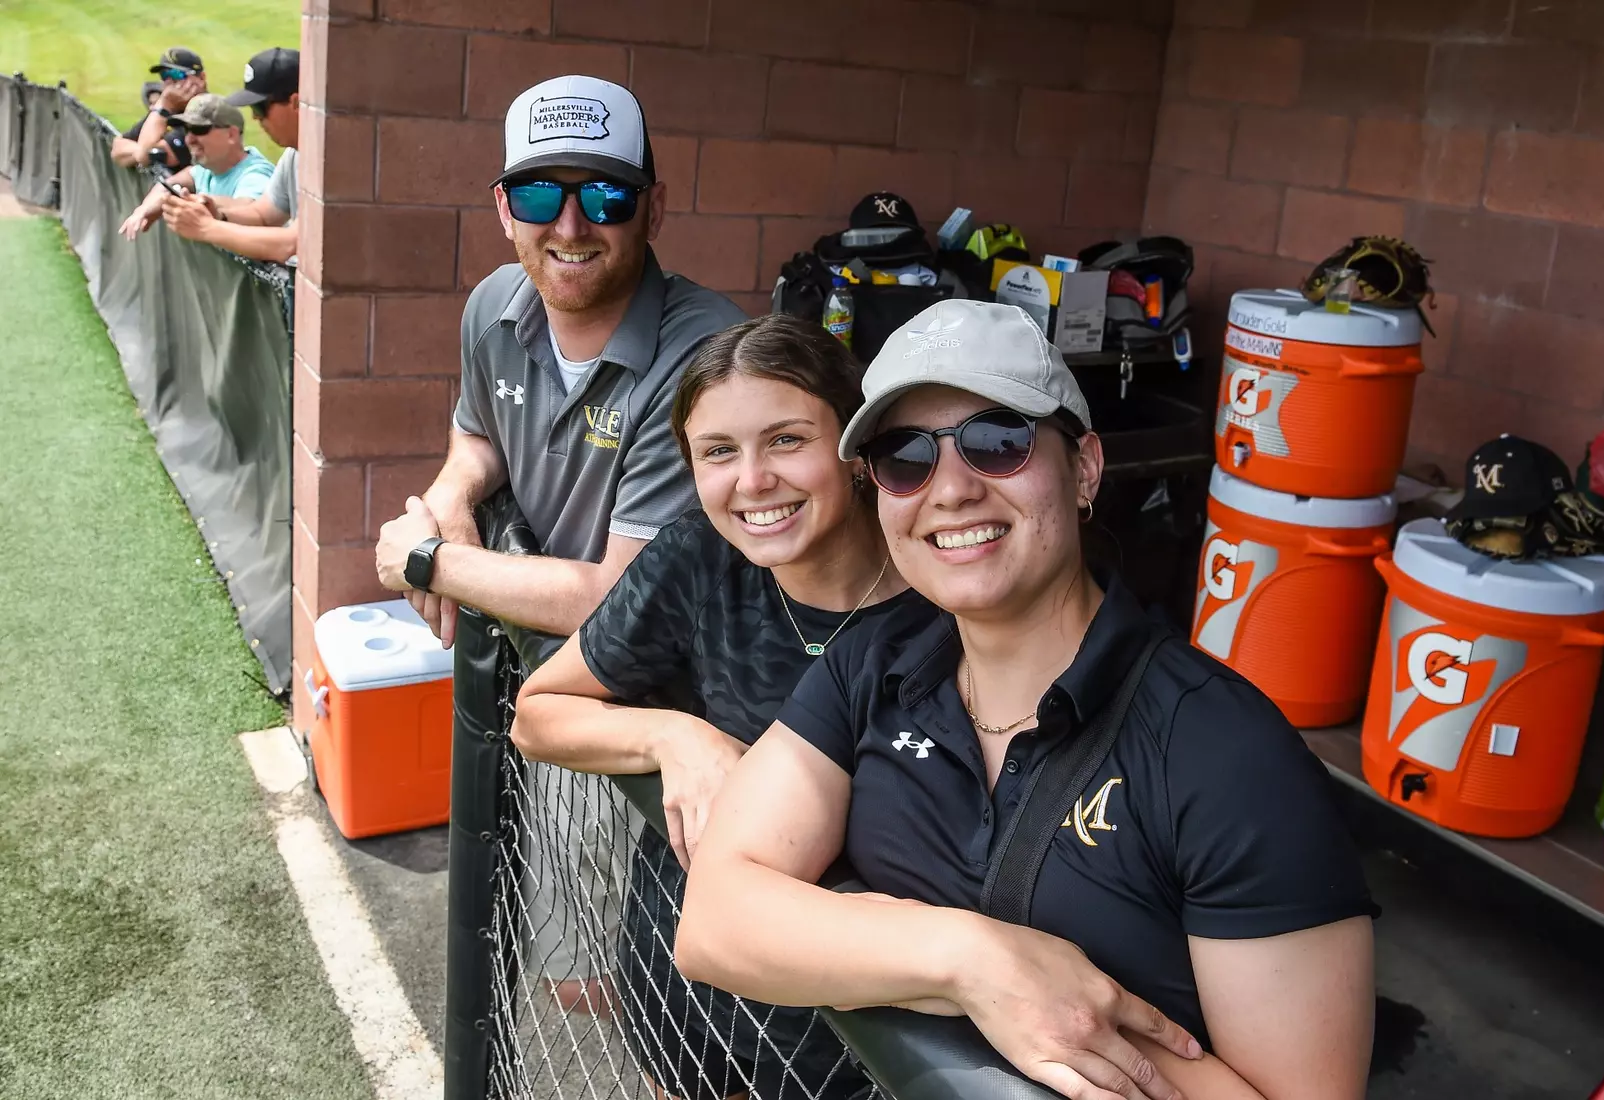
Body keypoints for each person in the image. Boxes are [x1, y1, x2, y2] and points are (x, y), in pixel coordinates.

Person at [677, 300, 1378, 1100]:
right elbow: (714, 920)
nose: (950, 490)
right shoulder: (873, 662)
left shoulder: (1223, 753)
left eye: (998, 442)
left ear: (1083, 467)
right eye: (904, 458)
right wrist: (976, 961)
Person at [372, 75, 744, 1020]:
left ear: (654, 206)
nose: (571, 225)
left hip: (686, 696)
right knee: (575, 974)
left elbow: (616, 598)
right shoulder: (497, 300)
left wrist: (427, 560)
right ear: (504, 209)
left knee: (656, 995)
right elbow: (478, 434)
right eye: (541, 194)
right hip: (559, 674)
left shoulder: (705, 356)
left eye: (606, 194)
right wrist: (453, 496)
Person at [511, 315, 921, 1100]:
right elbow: (537, 714)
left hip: (862, 1029)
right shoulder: (700, 556)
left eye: (787, 440)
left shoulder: (942, 587)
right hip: (688, 987)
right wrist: (677, 738)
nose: (753, 480)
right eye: (719, 453)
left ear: (855, 446)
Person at [162, 47, 301, 264]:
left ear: (295, 103)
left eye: (260, 107)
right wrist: (217, 213)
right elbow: (263, 216)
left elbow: (290, 244)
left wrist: (206, 227)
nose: (255, 117)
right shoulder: (294, 154)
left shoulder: (337, 159)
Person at [118, 95, 273, 241]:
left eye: (199, 129)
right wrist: (145, 208)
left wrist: (197, 201)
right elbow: (174, 183)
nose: (189, 139)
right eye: (187, 130)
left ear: (231, 135)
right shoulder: (209, 167)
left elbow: (253, 209)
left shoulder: (255, 174)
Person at [110, 47, 205, 169]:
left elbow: (143, 157)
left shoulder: (205, 113)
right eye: (165, 75)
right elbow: (117, 149)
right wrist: (143, 151)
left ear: (201, 78)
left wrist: (164, 106)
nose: (170, 82)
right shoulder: (169, 108)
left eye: (177, 74)